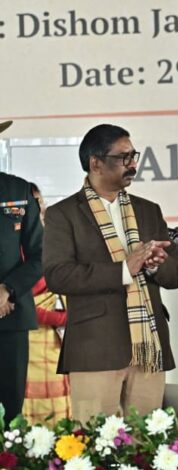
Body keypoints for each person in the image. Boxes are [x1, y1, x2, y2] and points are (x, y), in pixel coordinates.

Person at [43, 124, 178, 423]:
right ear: (95, 162)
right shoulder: (63, 214)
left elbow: (177, 276)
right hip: (95, 348)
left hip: (149, 348)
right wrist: (123, 269)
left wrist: (156, 264)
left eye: (134, 156)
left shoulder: (148, 210)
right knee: (95, 442)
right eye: (124, 157)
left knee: (147, 441)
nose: (132, 164)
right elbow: (58, 275)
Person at [0, 120, 44, 425]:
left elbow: (42, 254)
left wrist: (7, 289)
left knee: (10, 409)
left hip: (11, 317)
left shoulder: (18, 190)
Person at [23, 184, 72, 424]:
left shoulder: (56, 243)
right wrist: (62, 318)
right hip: (24, 339)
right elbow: (16, 303)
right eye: (34, 204)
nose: (40, 209)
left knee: (61, 411)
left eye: (41, 203)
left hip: (55, 342)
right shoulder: (11, 248)